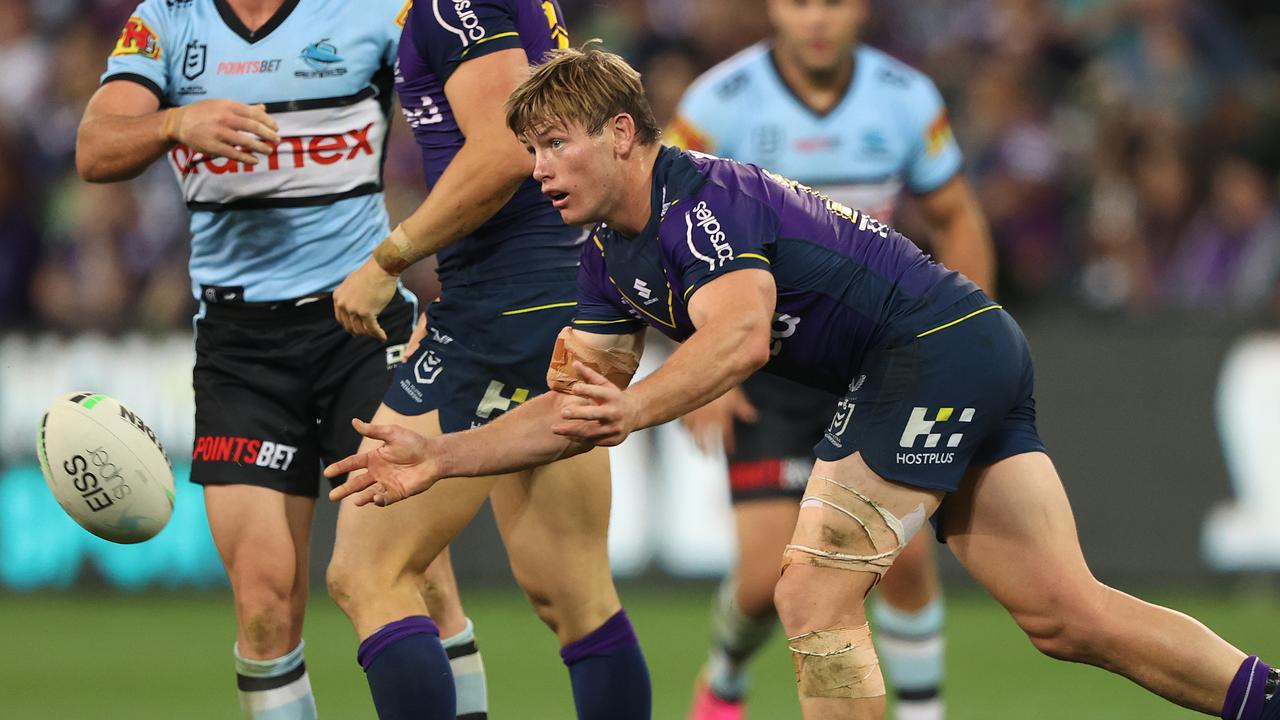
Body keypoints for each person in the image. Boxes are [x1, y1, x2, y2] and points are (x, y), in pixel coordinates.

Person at [326, 45, 1280, 720]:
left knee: (810, 597)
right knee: (1066, 615)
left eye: (555, 146)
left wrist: (640, 405)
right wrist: (441, 454)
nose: (538, 171)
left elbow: (737, 339)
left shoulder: (699, 206)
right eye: (529, 151)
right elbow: (575, 416)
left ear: (621, 133)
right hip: (967, 344)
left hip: (930, 350)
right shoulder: (605, 259)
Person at [75, 1, 485, 717]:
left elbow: (473, 138)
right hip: (241, 349)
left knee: (413, 576)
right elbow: (93, 147)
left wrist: (448, 291)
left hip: (365, 328)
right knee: (264, 606)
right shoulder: (169, 21)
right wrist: (176, 121)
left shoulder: (374, 13)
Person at [321, 3, 651, 720]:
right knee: (576, 595)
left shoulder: (452, 3)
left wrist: (391, 260)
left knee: (367, 571)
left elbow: (508, 146)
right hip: (564, 299)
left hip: (504, 318)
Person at [665, 1, 995, 717]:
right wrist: (702, 362)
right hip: (766, 367)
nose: (817, 18)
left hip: (875, 361)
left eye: (835, 1)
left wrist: (966, 345)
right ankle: (725, 671)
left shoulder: (906, 99)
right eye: (798, 1)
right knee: (762, 581)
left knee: (902, 557)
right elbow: (667, 233)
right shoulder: (717, 105)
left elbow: (956, 218)